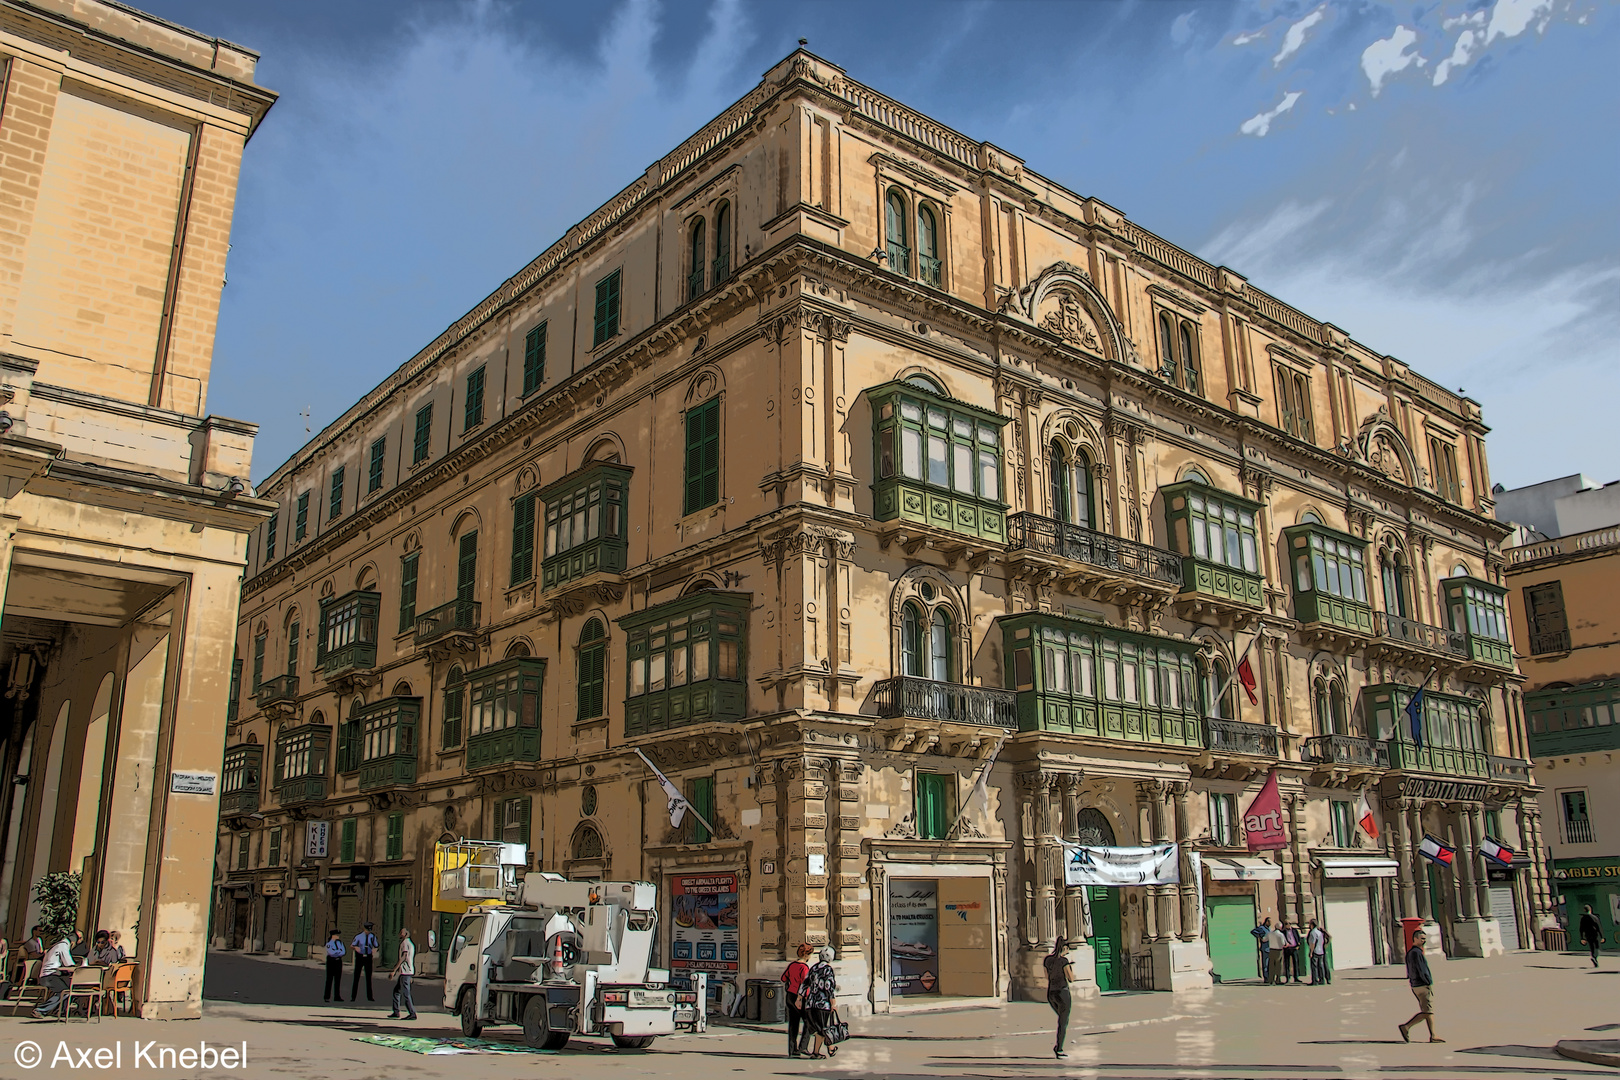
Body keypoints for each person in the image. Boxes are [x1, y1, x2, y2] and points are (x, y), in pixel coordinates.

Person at [1398, 930, 1441, 1043]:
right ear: (1415, 939)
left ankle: (1433, 1035)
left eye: (1425, 939)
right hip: (1422, 985)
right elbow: (1422, 970)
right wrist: (1427, 981)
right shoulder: (1416, 953)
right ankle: (1406, 1026)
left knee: (1427, 1010)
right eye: (1421, 938)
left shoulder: (1411, 953)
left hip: (1416, 984)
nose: (1424, 941)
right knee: (1427, 1011)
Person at [798, 946, 839, 1059]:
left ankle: (827, 1049)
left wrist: (799, 998)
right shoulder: (828, 969)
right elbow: (828, 988)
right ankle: (817, 1052)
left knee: (818, 1028)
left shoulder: (813, 968)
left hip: (811, 1003)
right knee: (821, 1028)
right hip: (823, 1004)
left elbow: (805, 983)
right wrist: (833, 1004)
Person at [31, 932, 77, 1018]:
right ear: (72, 942)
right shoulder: (63, 945)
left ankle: (61, 1011)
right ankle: (40, 1010)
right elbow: (69, 963)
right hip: (50, 975)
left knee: (67, 986)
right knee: (65, 992)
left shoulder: (56, 945)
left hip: (45, 975)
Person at [1045, 937, 1075, 1060]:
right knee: (1063, 1021)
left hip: (1051, 993)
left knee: (1061, 1019)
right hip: (1063, 993)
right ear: (1064, 948)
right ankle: (1059, 1049)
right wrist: (1071, 968)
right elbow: (1071, 978)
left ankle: (1059, 1045)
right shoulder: (1064, 961)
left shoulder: (1048, 960)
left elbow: (1047, 976)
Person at [781, 943, 814, 1057]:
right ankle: (803, 1047)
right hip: (800, 997)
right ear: (807, 955)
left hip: (790, 995)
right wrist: (806, 997)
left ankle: (792, 1049)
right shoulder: (804, 968)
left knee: (793, 1024)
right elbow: (804, 985)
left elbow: (783, 978)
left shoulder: (792, 965)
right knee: (809, 1022)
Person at [388, 927, 417, 1021]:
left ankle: (412, 1013)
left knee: (406, 993)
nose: (400, 934)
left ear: (405, 934)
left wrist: (394, 970)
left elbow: (404, 957)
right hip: (407, 972)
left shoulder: (405, 943)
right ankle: (396, 1011)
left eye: (401, 932)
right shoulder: (411, 944)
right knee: (396, 991)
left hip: (405, 972)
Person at [352, 922, 380, 1002]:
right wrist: (355, 948)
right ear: (364, 929)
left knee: (368, 977)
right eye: (367, 930)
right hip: (360, 957)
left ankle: (370, 997)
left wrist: (375, 949)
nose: (369, 931)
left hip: (368, 957)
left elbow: (376, 946)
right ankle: (353, 996)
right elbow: (352, 945)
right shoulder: (359, 936)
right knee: (356, 977)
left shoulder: (372, 937)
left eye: (370, 930)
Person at [322, 929, 346, 1003]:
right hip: (331, 961)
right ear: (333, 935)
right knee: (329, 979)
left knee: (338, 979)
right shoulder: (329, 943)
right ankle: (327, 996)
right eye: (337, 935)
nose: (338, 936)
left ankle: (337, 996)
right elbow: (331, 953)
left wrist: (337, 952)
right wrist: (338, 952)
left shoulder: (340, 943)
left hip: (338, 961)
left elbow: (343, 951)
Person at [1306, 920, 1329, 986]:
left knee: (1314, 967)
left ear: (1312, 925)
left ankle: (1315, 981)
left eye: (1310, 924)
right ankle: (1322, 980)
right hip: (1320, 951)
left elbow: (1312, 943)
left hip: (1315, 951)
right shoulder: (1319, 932)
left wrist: (1311, 952)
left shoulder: (1312, 933)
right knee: (1320, 966)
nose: (1309, 925)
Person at [1251, 917, 1273, 982]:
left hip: (1270, 948)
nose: (1270, 923)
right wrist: (1259, 937)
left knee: (1269, 963)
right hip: (1265, 948)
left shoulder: (1269, 929)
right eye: (1269, 922)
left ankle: (1270, 977)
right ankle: (1266, 978)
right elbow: (1253, 931)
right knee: (1265, 964)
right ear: (1266, 922)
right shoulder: (1262, 928)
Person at [1266, 920, 1287, 985]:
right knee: (1278, 966)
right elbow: (1283, 943)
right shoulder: (1280, 935)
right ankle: (1278, 979)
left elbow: (1264, 939)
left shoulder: (1270, 933)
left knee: (1271, 966)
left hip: (1271, 950)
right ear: (1280, 928)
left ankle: (1271, 980)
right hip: (1279, 951)